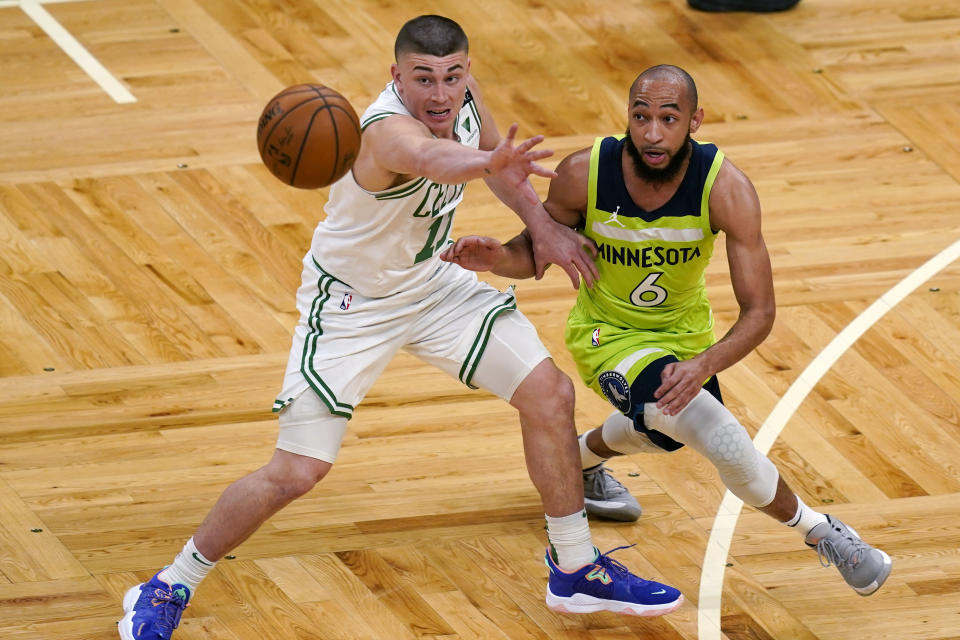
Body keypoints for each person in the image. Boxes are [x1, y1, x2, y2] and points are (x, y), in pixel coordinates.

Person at [117, 16, 683, 640]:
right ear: (396, 77)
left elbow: (497, 170)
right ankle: (169, 582)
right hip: (353, 307)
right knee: (296, 472)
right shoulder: (384, 131)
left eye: (452, 76)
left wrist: (541, 224)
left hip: (433, 284)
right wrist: (486, 159)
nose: (441, 94)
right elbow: (432, 158)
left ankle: (575, 566)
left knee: (549, 393)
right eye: (423, 79)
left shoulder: (465, 99)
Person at [440, 64, 893, 597]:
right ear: (627, 118)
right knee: (716, 434)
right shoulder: (584, 173)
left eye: (669, 118)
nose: (653, 133)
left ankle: (578, 460)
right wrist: (497, 259)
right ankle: (821, 531)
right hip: (606, 334)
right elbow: (536, 253)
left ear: (694, 121)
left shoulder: (727, 189)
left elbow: (759, 313)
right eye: (641, 117)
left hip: (684, 338)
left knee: (663, 431)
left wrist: (705, 363)